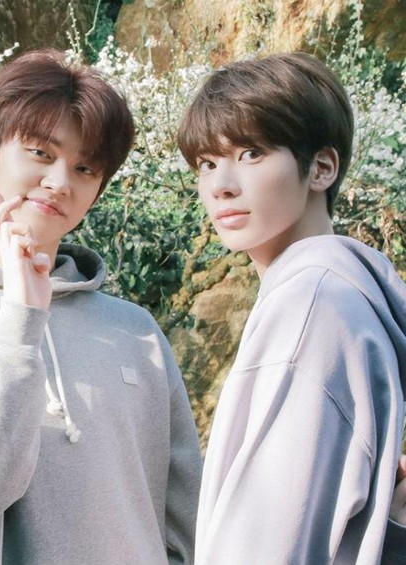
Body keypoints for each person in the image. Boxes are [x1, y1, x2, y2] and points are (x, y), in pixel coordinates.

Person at [0, 49, 203, 564]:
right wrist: (19, 324)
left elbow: (186, 520)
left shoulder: (136, 331)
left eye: (85, 168)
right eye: (41, 154)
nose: (60, 182)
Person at [177, 52, 406, 563]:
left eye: (251, 153)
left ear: (321, 168)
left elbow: (265, 542)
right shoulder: (347, 295)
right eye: (207, 163)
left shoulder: (310, 304)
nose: (221, 185)